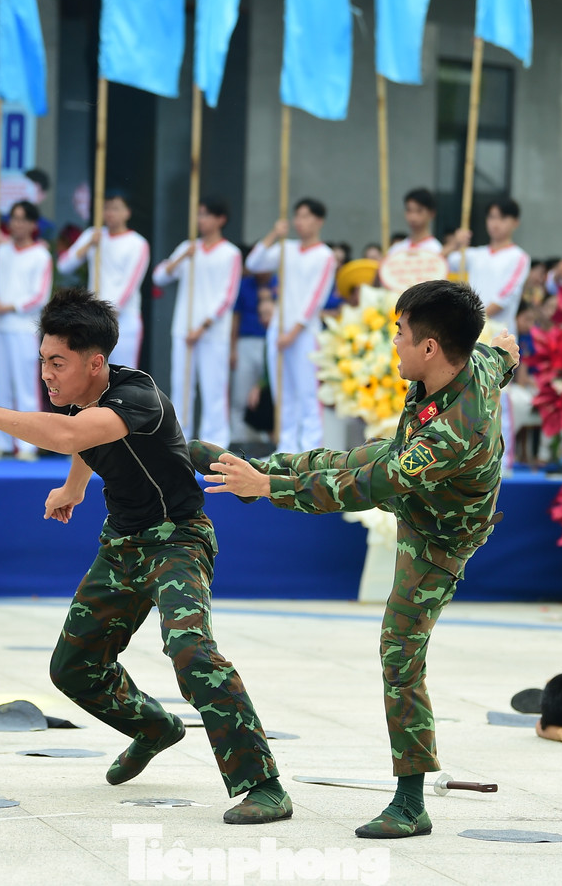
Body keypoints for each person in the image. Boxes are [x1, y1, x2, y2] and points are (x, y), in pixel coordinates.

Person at [0, 287, 293, 825]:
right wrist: (75, 487)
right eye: (43, 360)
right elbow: (82, 441)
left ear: (96, 363)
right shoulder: (78, 395)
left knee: (191, 651)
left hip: (177, 541)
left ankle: (264, 784)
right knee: (73, 669)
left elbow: (71, 432)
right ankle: (152, 727)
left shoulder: (137, 396)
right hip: (122, 544)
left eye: (57, 362)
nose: (47, 373)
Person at [196, 280, 519, 839]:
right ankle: (245, 473)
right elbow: (507, 349)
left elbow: (360, 490)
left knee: (400, 650)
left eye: (400, 334)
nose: (393, 344)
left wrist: (274, 489)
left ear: (430, 350)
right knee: (330, 457)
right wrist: (509, 345)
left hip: (440, 534)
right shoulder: (480, 361)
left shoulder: (448, 435)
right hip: (417, 476)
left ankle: (412, 802)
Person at [244, 199, 337, 454]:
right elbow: (253, 263)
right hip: (279, 328)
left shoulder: (325, 255)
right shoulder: (287, 248)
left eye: (306, 216)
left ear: (319, 221)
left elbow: (316, 298)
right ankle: (286, 447)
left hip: (305, 333)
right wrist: (275, 233)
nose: (300, 222)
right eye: (297, 216)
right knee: (282, 393)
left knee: (308, 391)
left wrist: (294, 331)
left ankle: (310, 449)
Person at [151, 197, 242, 448]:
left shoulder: (230, 253)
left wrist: (203, 326)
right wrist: (182, 259)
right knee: (181, 386)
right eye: (198, 215)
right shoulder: (188, 248)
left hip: (212, 332)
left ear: (220, 219)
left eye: (205, 215)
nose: (200, 220)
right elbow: (159, 276)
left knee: (214, 387)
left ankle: (216, 442)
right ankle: (180, 438)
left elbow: (228, 296)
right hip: (183, 329)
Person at [0, 201, 52, 462]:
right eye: (13, 218)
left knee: (25, 387)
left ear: (33, 224)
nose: (16, 224)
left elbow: (40, 296)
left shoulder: (41, 255)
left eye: (22, 219)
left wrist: (8, 306)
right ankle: (2, 442)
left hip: (23, 329)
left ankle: (28, 446)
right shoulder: (1, 250)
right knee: (0, 387)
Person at [57, 192, 149, 368]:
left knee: (122, 373)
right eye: (106, 208)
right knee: (95, 372)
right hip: (95, 318)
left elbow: (130, 284)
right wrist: (88, 245)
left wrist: (109, 312)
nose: (110, 213)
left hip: (123, 319)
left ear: (127, 212)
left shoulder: (137, 243)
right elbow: (64, 265)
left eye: (115, 208)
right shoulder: (94, 235)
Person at [442, 197, 529, 335]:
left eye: (502, 218)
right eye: (491, 217)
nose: (495, 223)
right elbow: (440, 262)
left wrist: (474, 318)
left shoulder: (519, 257)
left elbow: (505, 296)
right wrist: (455, 243)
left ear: (515, 222)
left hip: (499, 334)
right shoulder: (475, 254)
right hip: (472, 331)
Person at [229, 273, 272, 447]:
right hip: (245, 340)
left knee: (268, 393)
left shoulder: (279, 281)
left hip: (271, 339)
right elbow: (236, 317)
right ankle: (239, 437)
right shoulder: (244, 285)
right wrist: (233, 348)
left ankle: (268, 436)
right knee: (241, 392)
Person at [387, 189, 442, 256]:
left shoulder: (437, 249)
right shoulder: (396, 250)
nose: (413, 217)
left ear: (432, 213)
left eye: (419, 211)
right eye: (409, 210)